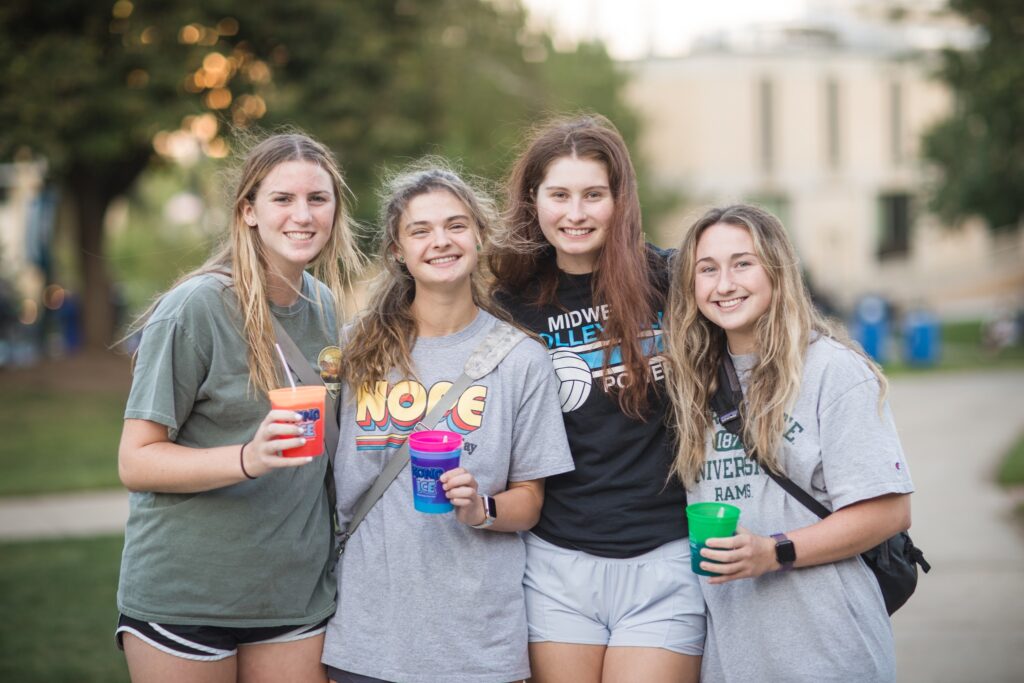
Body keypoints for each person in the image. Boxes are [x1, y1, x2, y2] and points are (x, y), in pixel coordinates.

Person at [115, 132, 364, 683]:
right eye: (283, 199)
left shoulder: (323, 307)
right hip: (189, 598)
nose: (303, 215)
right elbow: (137, 461)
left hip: (295, 597)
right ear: (249, 211)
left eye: (317, 199)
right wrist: (248, 456)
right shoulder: (195, 308)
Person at [321, 162, 574, 683]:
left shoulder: (521, 359)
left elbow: (529, 501)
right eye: (421, 230)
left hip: (477, 644)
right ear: (397, 250)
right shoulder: (356, 349)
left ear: (480, 237)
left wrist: (480, 507)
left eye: (456, 225)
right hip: (368, 639)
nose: (441, 241)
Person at [490, 114, 705, 683]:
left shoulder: (670, 281)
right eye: (559, 195)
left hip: (664, 557)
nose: (576, 213)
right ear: (533, 200)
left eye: (593, 195)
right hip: (557, 563)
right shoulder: (507, 305)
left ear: (620, 200)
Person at [663, 204, 915, 682]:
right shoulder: (690, 384)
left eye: (743, 263)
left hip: (829, 651)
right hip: (733, 658)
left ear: (777, 272)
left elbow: (890, 511)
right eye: (707, 269)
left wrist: (773, 550)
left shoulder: (832, 372)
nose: (725, 284)